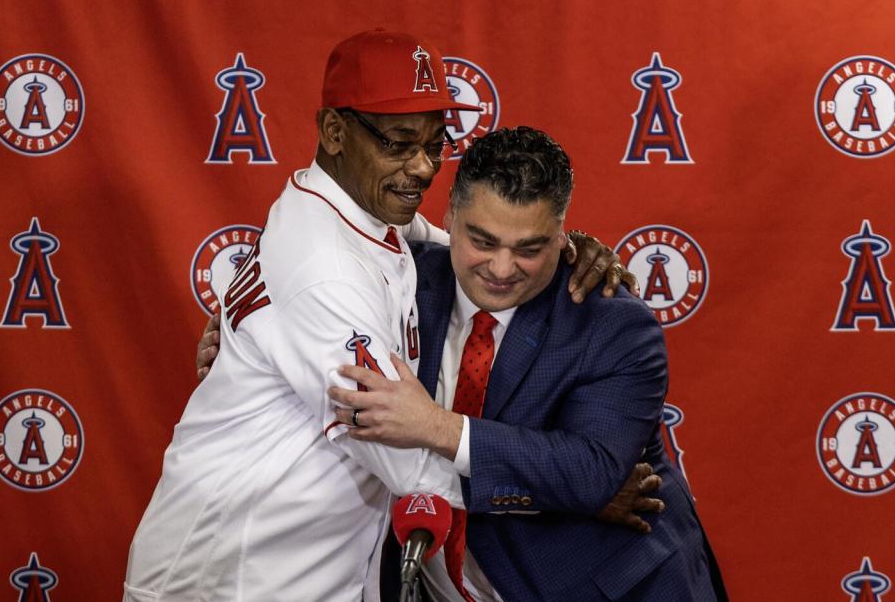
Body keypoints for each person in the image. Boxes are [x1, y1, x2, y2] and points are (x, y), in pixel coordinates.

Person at [126, 30, 639, 602]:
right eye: (398, 143)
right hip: (233, 574)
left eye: (434, 142)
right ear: (335, 132)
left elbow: (469, 252)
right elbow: (406, 462)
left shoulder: (362, 210)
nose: (421, 168)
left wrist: (565, 250)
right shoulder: (327, 268)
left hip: (307, 564)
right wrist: (571, 492)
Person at [327, 127, 727, 601]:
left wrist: (435, 427)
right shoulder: (396, 280)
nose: (501, 268)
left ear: (561, 236)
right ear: (450, 213)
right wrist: (227, 338)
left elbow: (591, 473)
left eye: (529, 249)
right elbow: (296, 270)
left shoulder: (614, 324)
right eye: (482, 240)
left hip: (604, 589)